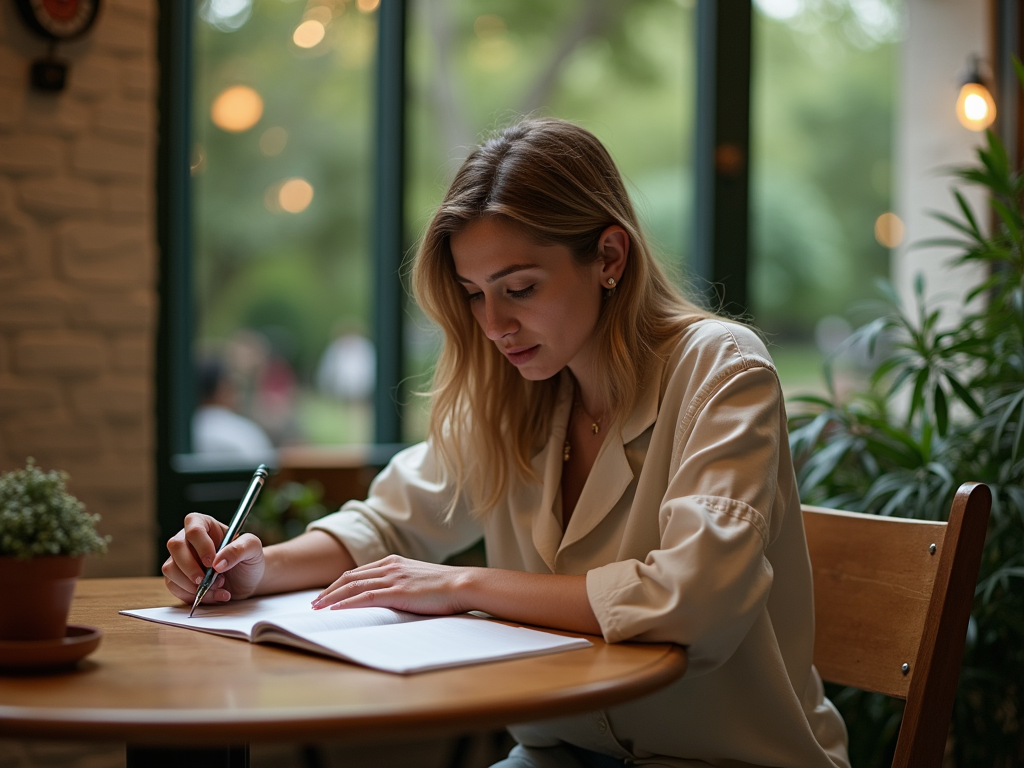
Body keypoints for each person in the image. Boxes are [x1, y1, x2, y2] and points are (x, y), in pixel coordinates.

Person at [164, 118, 849, 768]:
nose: (494, 325)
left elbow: (694, 603)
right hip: (560, 753)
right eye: (472, 294)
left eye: (519, 288)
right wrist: (253, 569)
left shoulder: (720, 368)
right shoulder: (513, 387)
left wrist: (462, 584)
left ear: (609, 256)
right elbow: (389, 524)